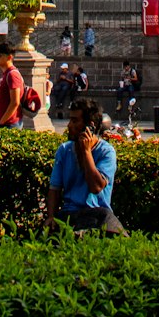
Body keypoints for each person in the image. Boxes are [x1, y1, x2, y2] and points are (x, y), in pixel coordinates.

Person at [46, 96, 126, 235]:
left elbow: (96, 187)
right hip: (70, 213)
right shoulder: (64, 150)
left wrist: (86, 151)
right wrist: (51, 217)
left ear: (90, 126)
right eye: (70, 120)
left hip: (97, 214)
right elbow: (55, 188)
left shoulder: (106, 152)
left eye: (75, 121)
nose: (69, 125)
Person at [0, 41, 24, 129]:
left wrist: (2, 122)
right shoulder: (6, 74)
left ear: (9, 57)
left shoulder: (12, 75)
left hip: (10, 124)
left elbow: (15, 102)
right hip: (6, 123)